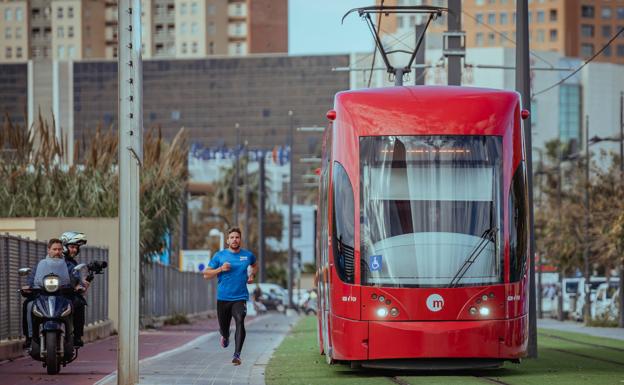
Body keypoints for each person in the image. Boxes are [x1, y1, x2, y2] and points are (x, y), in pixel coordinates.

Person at [203, 227, 257, 366]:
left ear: (240, 239)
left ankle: (237, 355)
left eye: (237, 237)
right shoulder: (219, 256)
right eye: (232, 237)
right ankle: (225, 336)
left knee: (240, 320)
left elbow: (254, 265)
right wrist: (220, 269)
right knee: (224, 328)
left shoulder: (248, 255)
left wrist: (252, 275)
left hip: (240, 297)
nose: (234, 240)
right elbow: (206, 274)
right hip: (223, 298)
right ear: (227, 240)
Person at [23, 239, 84, 348]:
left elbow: (75, 277)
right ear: (49, 250)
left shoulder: (68, 264)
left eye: (59, 249)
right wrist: (28, 286)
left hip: (63, 295)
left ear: (62, 251)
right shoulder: (41, 264)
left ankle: (77, 336)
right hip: (43, 295)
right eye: (54, 249)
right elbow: (33, 278)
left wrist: (77, 285)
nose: (57, 252)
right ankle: (29, 337)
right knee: (28, 305)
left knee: (79, 303)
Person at [60, 231, 89, 347]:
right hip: (52, 294)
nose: (74, 250)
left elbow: (76, 280)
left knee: (79, 302)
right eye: (72, 247)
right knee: (30, 304)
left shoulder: (73, 263)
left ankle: (77, 336)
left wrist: (82, 284)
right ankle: (31, 338)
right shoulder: (52, 261)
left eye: (76, 248)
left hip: (68, 294)